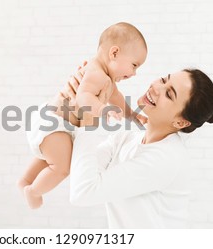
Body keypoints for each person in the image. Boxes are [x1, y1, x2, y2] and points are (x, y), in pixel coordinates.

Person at [65, 67, 213, 228]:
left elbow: (82, 193)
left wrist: (86, 111)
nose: (156, 88)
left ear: (180, 122)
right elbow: (78, 168)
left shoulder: (165, 158)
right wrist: (79, 94)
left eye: (169, 94)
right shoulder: (127, 138)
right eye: (163, 79)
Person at [18, 22, 148, 209]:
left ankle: (25, 180)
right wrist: (102, 110)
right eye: (134, 65)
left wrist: (133, 116)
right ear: (114, 53)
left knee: (52, 156)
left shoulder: (104, 76)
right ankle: (34, 190)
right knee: (62, 168)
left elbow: (116, 98)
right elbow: (83, 98)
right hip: (55, 123)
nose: (134, 73)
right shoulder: (97, 74)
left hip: (54, 122)